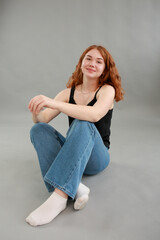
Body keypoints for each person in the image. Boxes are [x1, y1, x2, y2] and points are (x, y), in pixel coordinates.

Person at [26, 45, 124, 227]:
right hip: (75, 153)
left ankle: (59, 197)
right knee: (38, 130)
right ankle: (77, 187)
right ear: (81, 63)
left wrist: (55, 103)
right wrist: (36, 109)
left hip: (97, 157)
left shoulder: (106, 90)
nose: (92, 63)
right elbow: (43, 119)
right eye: (88, 58)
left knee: (83, 122)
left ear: (105, 68)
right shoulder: (67, 93)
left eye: (99, 61)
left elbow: (94, 114)